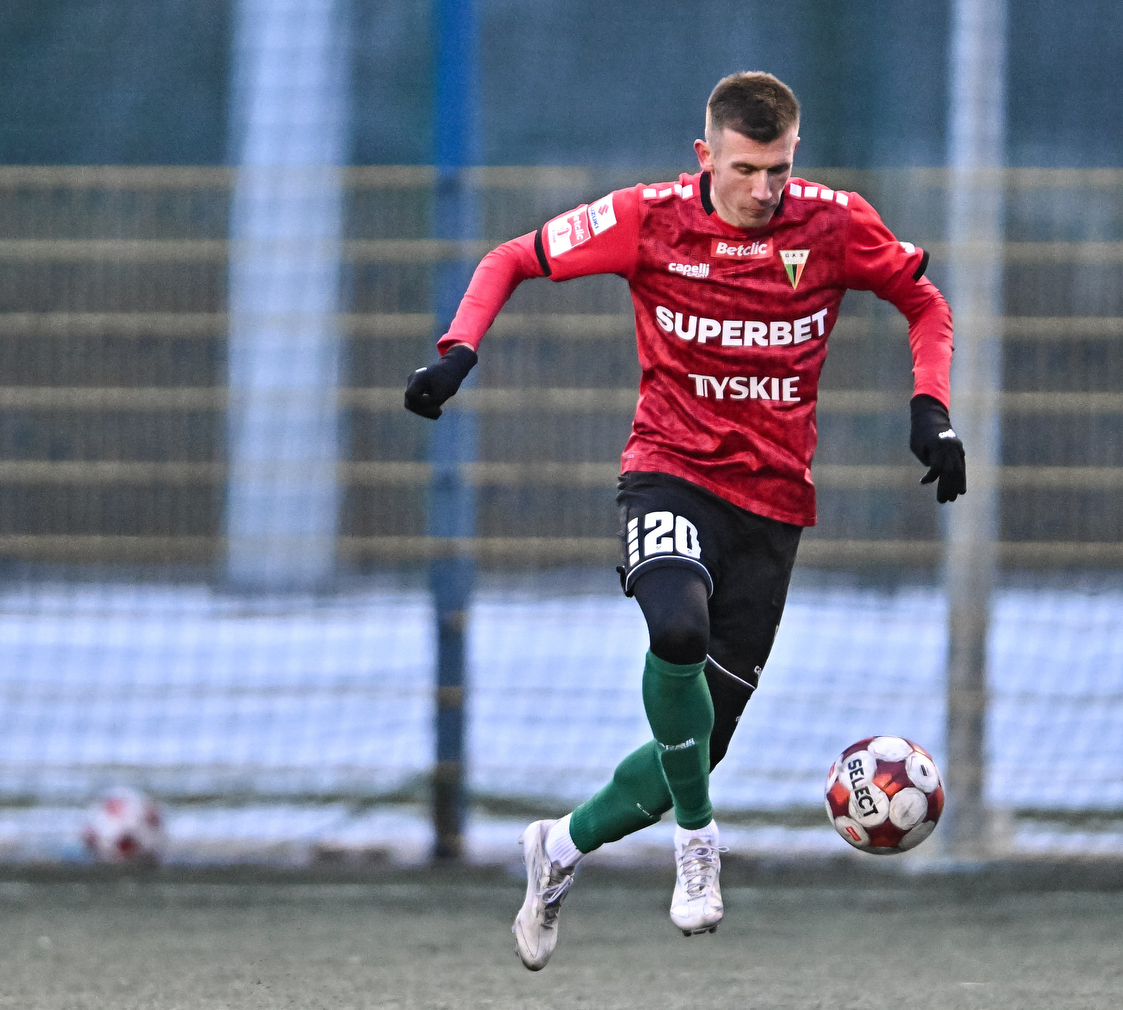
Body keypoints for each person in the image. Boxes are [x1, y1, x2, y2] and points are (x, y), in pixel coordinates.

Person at [404, 71, 965, 970]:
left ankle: (559, 847)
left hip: (773, 506)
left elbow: (925, 302)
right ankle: (699, 844)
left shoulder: (834, 223)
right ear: (705, 156)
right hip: (668, 472)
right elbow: (511, 256)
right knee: (676, 628)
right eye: (746, 169)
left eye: (780, 169)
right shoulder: (649, 218)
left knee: (696, 749)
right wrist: (456, 351)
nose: (765, 190)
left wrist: (930, 409)